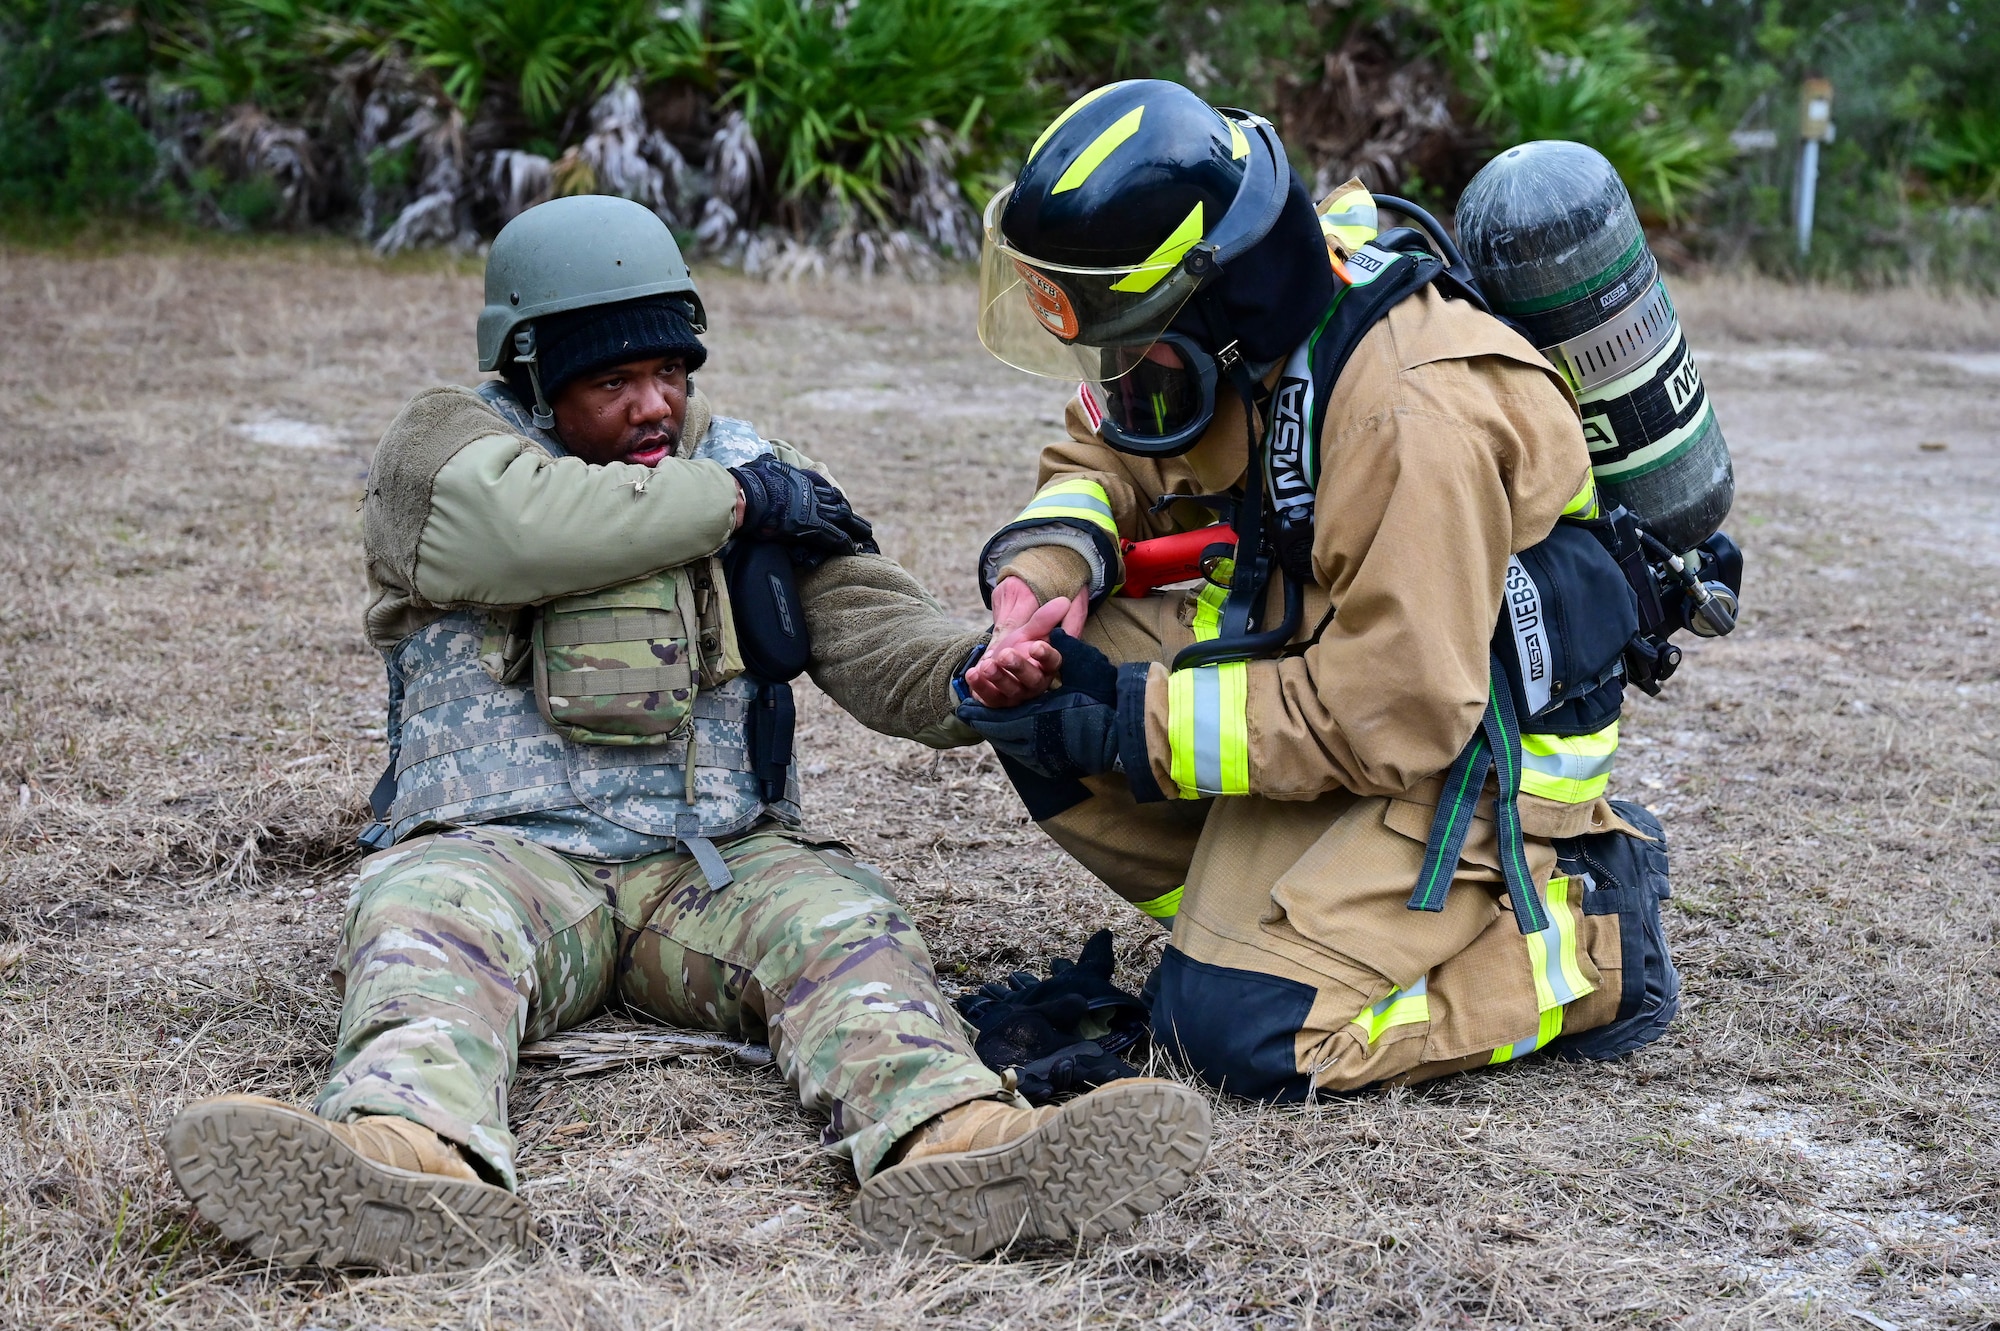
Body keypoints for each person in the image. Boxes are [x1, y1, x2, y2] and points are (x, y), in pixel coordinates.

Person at [161, 194, 1209, 1271]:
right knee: (425, 931)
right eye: (611, 381)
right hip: (501, 855)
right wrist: (740, 504)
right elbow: (514, 528)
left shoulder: (756, 467)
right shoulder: (445, 453)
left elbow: (866, 626)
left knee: (842, 924)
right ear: (529, 371)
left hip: (710, 867)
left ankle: (960, 1143)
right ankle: (404, 1158)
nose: (652, 403)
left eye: (670, 371)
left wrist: (975, 669)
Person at [954, 80, 1681, 1102]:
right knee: (1036, 708)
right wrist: (1046, 572)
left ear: (1213, 304)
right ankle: (1260, 918)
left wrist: (1131, 719)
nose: (1114, 366)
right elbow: (1106, 454)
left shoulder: (1407, 416)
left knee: (1238, 1034)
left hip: (1471, 743)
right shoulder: (1244, 331)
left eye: (1130, 334)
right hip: (1334, 672)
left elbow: (1396, 706)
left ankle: (1588, 938)